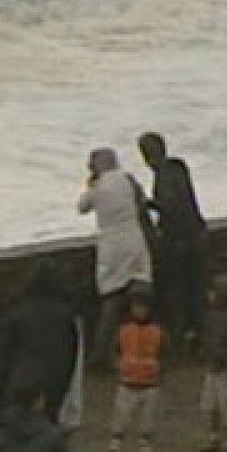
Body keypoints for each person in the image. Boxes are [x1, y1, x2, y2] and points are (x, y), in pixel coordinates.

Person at [77, 147, 153, 372]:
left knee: (112, 300)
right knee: (141, 296)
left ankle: (103, 354)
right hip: (134, 239)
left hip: (111, 246)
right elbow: (141, 200)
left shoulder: (98, 186)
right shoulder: (127, 179)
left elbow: (81, 208)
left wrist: (90, 183)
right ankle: (143, 349)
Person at [0, 258, 82, 423]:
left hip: (19, 383)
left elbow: (2, 353)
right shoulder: (67, 317)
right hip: (53, 383)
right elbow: (70, 356)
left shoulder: (18, 313)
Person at [139, 131, 209, 348]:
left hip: (181, 241)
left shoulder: (163, 175)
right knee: (196, 289)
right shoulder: (178, 167)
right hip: (196, 235)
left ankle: (185, 338)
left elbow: (171, 205)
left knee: (179, 291)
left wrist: (147, 204)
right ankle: (199, 335)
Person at [108, 281, 165, 452]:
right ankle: (116, 441)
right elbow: (115, 349)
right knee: (122, 414)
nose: (140, 311)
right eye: (137, 306)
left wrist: (160, 369)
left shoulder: (157, 331)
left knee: (147, 417)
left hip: (150, 381)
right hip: (127, 380)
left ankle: (145, 442)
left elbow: (163, 353)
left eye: (144, 307)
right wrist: (118, 365)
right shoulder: (124, 330)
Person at [200, 273, 227, 452]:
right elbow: (208, 339)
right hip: (213, 367)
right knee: (210, 404)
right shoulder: (212, 316)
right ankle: (214, 437)